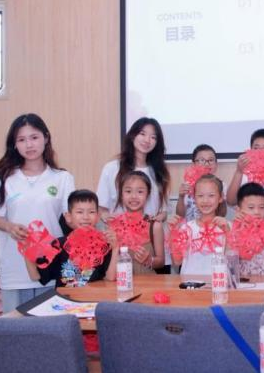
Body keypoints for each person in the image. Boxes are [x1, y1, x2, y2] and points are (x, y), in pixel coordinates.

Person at [0, 113, 75, 312]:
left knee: (51, 327)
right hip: (15, 268)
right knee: (15, 328)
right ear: (14, 144)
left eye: (34, 137)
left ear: (46, 138)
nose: (29, 145)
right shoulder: (4, 177)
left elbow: (71, 219)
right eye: (21, 139)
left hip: (50, 267)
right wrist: (10, 227)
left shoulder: (62, 178)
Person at [96, 117, 171, 271]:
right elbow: (102, 208)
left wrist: (157, 221)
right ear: (132, 136)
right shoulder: (112, 168)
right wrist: (108, 218)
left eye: (153, 137)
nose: (147, 140)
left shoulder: (158, 170)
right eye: (142, 134)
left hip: (151, 246)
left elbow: (163, 210)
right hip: (121, 246)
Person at [25, 190, 117, 287]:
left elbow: (111, 277)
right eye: (80, 212)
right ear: (68, 217)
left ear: (98, 216)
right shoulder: (58, 244)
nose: (86, 217)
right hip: (65, 296)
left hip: (94, 295)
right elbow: (35, 276)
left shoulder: (105, 244)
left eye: (91, 212)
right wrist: (27, 251)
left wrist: (115, 248)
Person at [174, 175, 229, 276]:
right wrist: (173, 234)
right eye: (200, 196)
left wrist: (228, 233)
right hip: (190, 283)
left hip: (218, 282)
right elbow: (177, 261)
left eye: (211, 195)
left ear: (221, 197)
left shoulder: (227, 226)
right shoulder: (186, 228)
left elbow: (232, 259)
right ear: (194, 198)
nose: (205, 200)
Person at [115, 171, 165, 273]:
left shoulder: (155, 226)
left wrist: (149, 260)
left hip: (147, 281)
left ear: (148, 194)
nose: (134, 196)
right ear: (121, 194)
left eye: (140, 192)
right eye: (128, 191)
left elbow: (161, 262)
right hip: (121, 280)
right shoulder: (114, 225)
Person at [176, 144, 227, 221]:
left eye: (211, 160)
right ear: (193, 164)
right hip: (190, 226)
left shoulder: (221, 185)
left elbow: (222, 214)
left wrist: (222, 199)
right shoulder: (187, 185)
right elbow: (180, 215)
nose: (207, 164)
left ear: (216, 164)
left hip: (212, 226)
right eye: (202, 160)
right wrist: (181, 197)